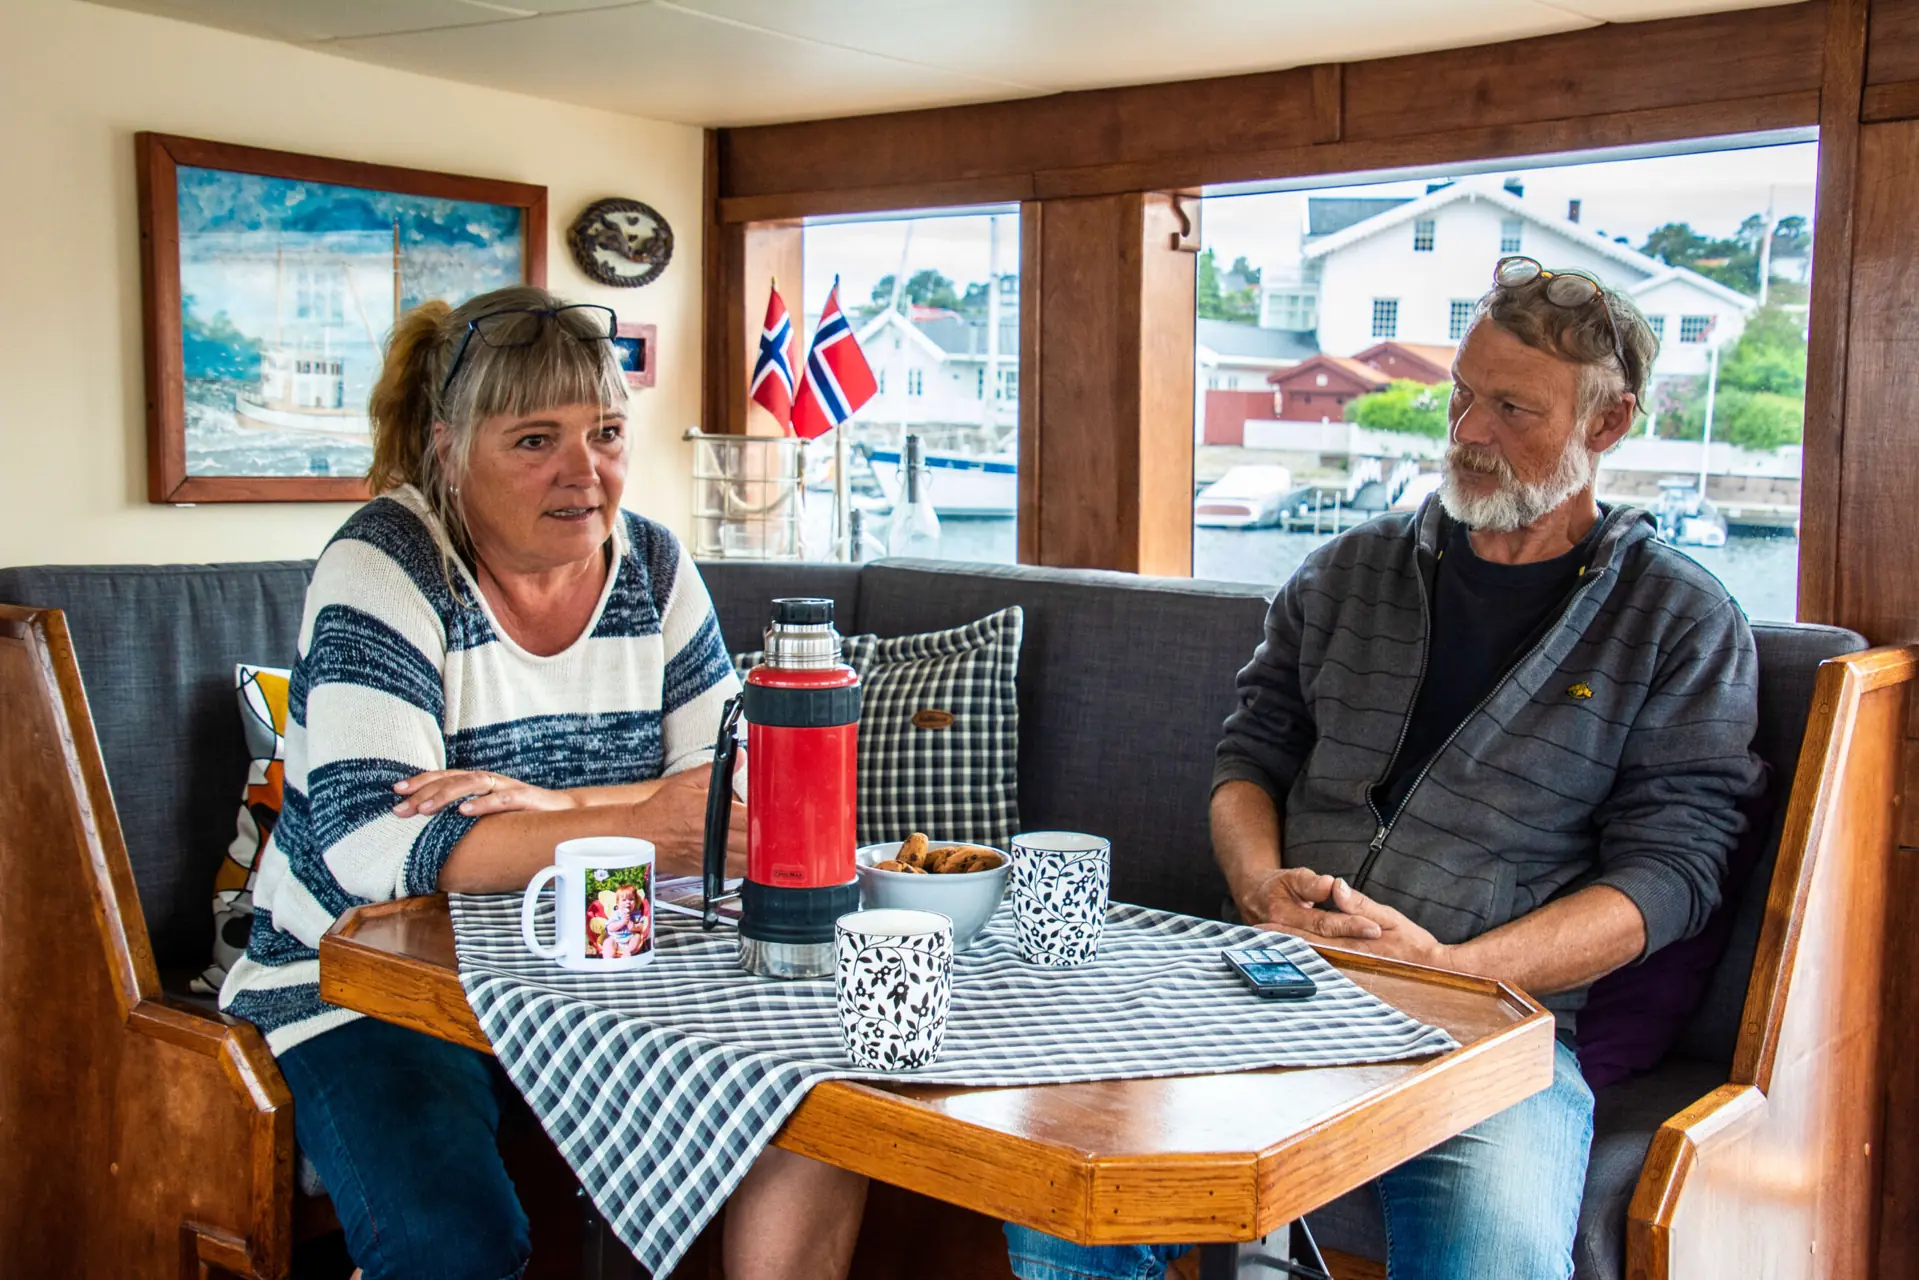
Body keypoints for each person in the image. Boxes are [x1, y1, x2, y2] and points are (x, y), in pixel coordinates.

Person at [1004, 257, 1761, 1280]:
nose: (1466, 431)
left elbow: (1668, 876)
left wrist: (1449, 969)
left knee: (1489, 1261)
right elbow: (1249, 754)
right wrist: (1258, 889)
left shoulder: (1679, 620)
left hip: (1488, 1024)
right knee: (1062, 1189)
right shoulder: (1346, 569)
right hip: (1268, 978)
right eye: (1460, 392)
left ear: (1608, 422)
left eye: (1510, 408)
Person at [219, 286, 867, 1280]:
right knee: (454, 1243)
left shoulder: (651, 562)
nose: (583, 471)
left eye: (605, 432)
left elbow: (723, 795)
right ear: (448, 448)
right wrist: (644, 825)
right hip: (360, 986)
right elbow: (371, 848)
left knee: (812, 1097)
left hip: (600, 972)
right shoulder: (386, 560)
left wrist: (559, 809)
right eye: (534, 440)